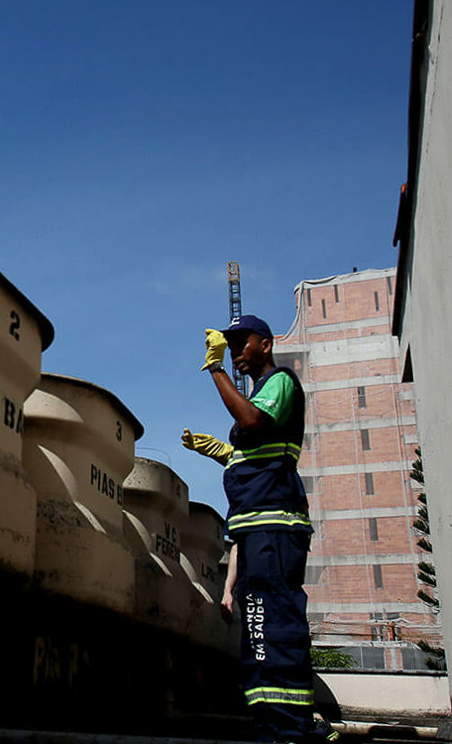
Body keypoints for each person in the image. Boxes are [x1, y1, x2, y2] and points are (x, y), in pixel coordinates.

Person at [182, 315, 327, 743]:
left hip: (275, 528)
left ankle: (290, 728)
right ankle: (270, 722)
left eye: (240, 342)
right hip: (256, 530)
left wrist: (215, 369)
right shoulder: (262, 394)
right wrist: (224, 454)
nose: (234, 350)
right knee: (259, 627)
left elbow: (254, 424)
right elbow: (257, 451)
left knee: (274, 624)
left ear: (266, 344)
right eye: (228, 346)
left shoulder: (280, 381)